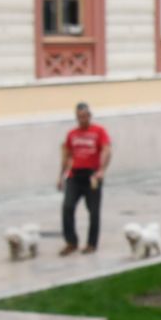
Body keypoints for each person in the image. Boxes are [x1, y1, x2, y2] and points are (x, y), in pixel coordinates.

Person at [56, 102, 111, 256]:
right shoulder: (72, 134)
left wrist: (101, 170)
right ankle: (71, 242)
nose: (82, 119)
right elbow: (66, 156)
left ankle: (91, 244)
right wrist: (60, 176)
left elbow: (107, 150)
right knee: (67, 207)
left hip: (92, 176)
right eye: (79, 117)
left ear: (89, 116)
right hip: (74, 176)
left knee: (93, 211)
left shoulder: (99, 131)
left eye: (85, 116)